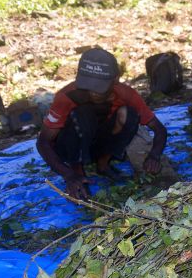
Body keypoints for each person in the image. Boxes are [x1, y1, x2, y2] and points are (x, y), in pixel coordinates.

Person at [37, 48, 168, 200]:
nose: (93, 92)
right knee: (83, 112)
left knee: (129, 114)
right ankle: (78, 172)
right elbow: (43, 141)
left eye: (99, 87)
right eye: (88, 85)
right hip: (69, 147)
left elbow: (159, 129)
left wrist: (154, 155)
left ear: (115, 79)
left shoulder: (126, 94)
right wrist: (69, 175)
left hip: (97, 145)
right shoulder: (66, 96)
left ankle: (103, 164)